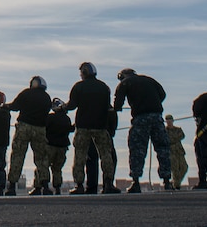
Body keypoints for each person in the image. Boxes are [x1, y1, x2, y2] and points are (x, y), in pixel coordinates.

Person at [112, 68, 173, 193]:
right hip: (157, 117)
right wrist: (153, 103)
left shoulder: (124, 83)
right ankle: (167, 181)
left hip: (140, 118)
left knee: (137, 149)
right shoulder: (149, 80)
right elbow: (162, 94)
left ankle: (136, 182)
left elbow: (118, 102)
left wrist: (118, 108)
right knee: (163, 148)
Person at [65, 61, 119, 194]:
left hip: (83, 127)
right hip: (101, 127)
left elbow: (72, 105)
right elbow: (108, 107)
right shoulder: (104, 87)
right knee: (106, 155)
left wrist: (63, 108)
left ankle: (79, 185)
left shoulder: (79, 87)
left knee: (80, 156)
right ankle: (108, 184)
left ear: (84, 72)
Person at [5, 75, 52, 195]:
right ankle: (45, 185)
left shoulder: (26, 93)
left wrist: (6, 107)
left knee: (18, 156)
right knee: (42, 158)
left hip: (24, 127)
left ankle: (11, 187)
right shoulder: (47, 98)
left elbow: (15, 106)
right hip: (40, 129)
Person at [45, 98, 74, 195]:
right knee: (57, 168)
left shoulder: (49, 118)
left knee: (44, 166)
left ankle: (44, 187)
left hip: (50, 146)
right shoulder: (67, 119)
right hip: (62, 147)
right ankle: (57, 187)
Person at [164, 114, 188, 189]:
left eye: (170, 120)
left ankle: (176, 182)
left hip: (179, 151)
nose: (169, 121)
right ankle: (176, 185)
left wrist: (173, 139)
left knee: (184, 167)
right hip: (171, 152)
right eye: (167, 120)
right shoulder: (164, 131)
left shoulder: (178, 129)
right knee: (175, 169)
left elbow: (182, 136)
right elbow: (166, 139)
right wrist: (175, 139)